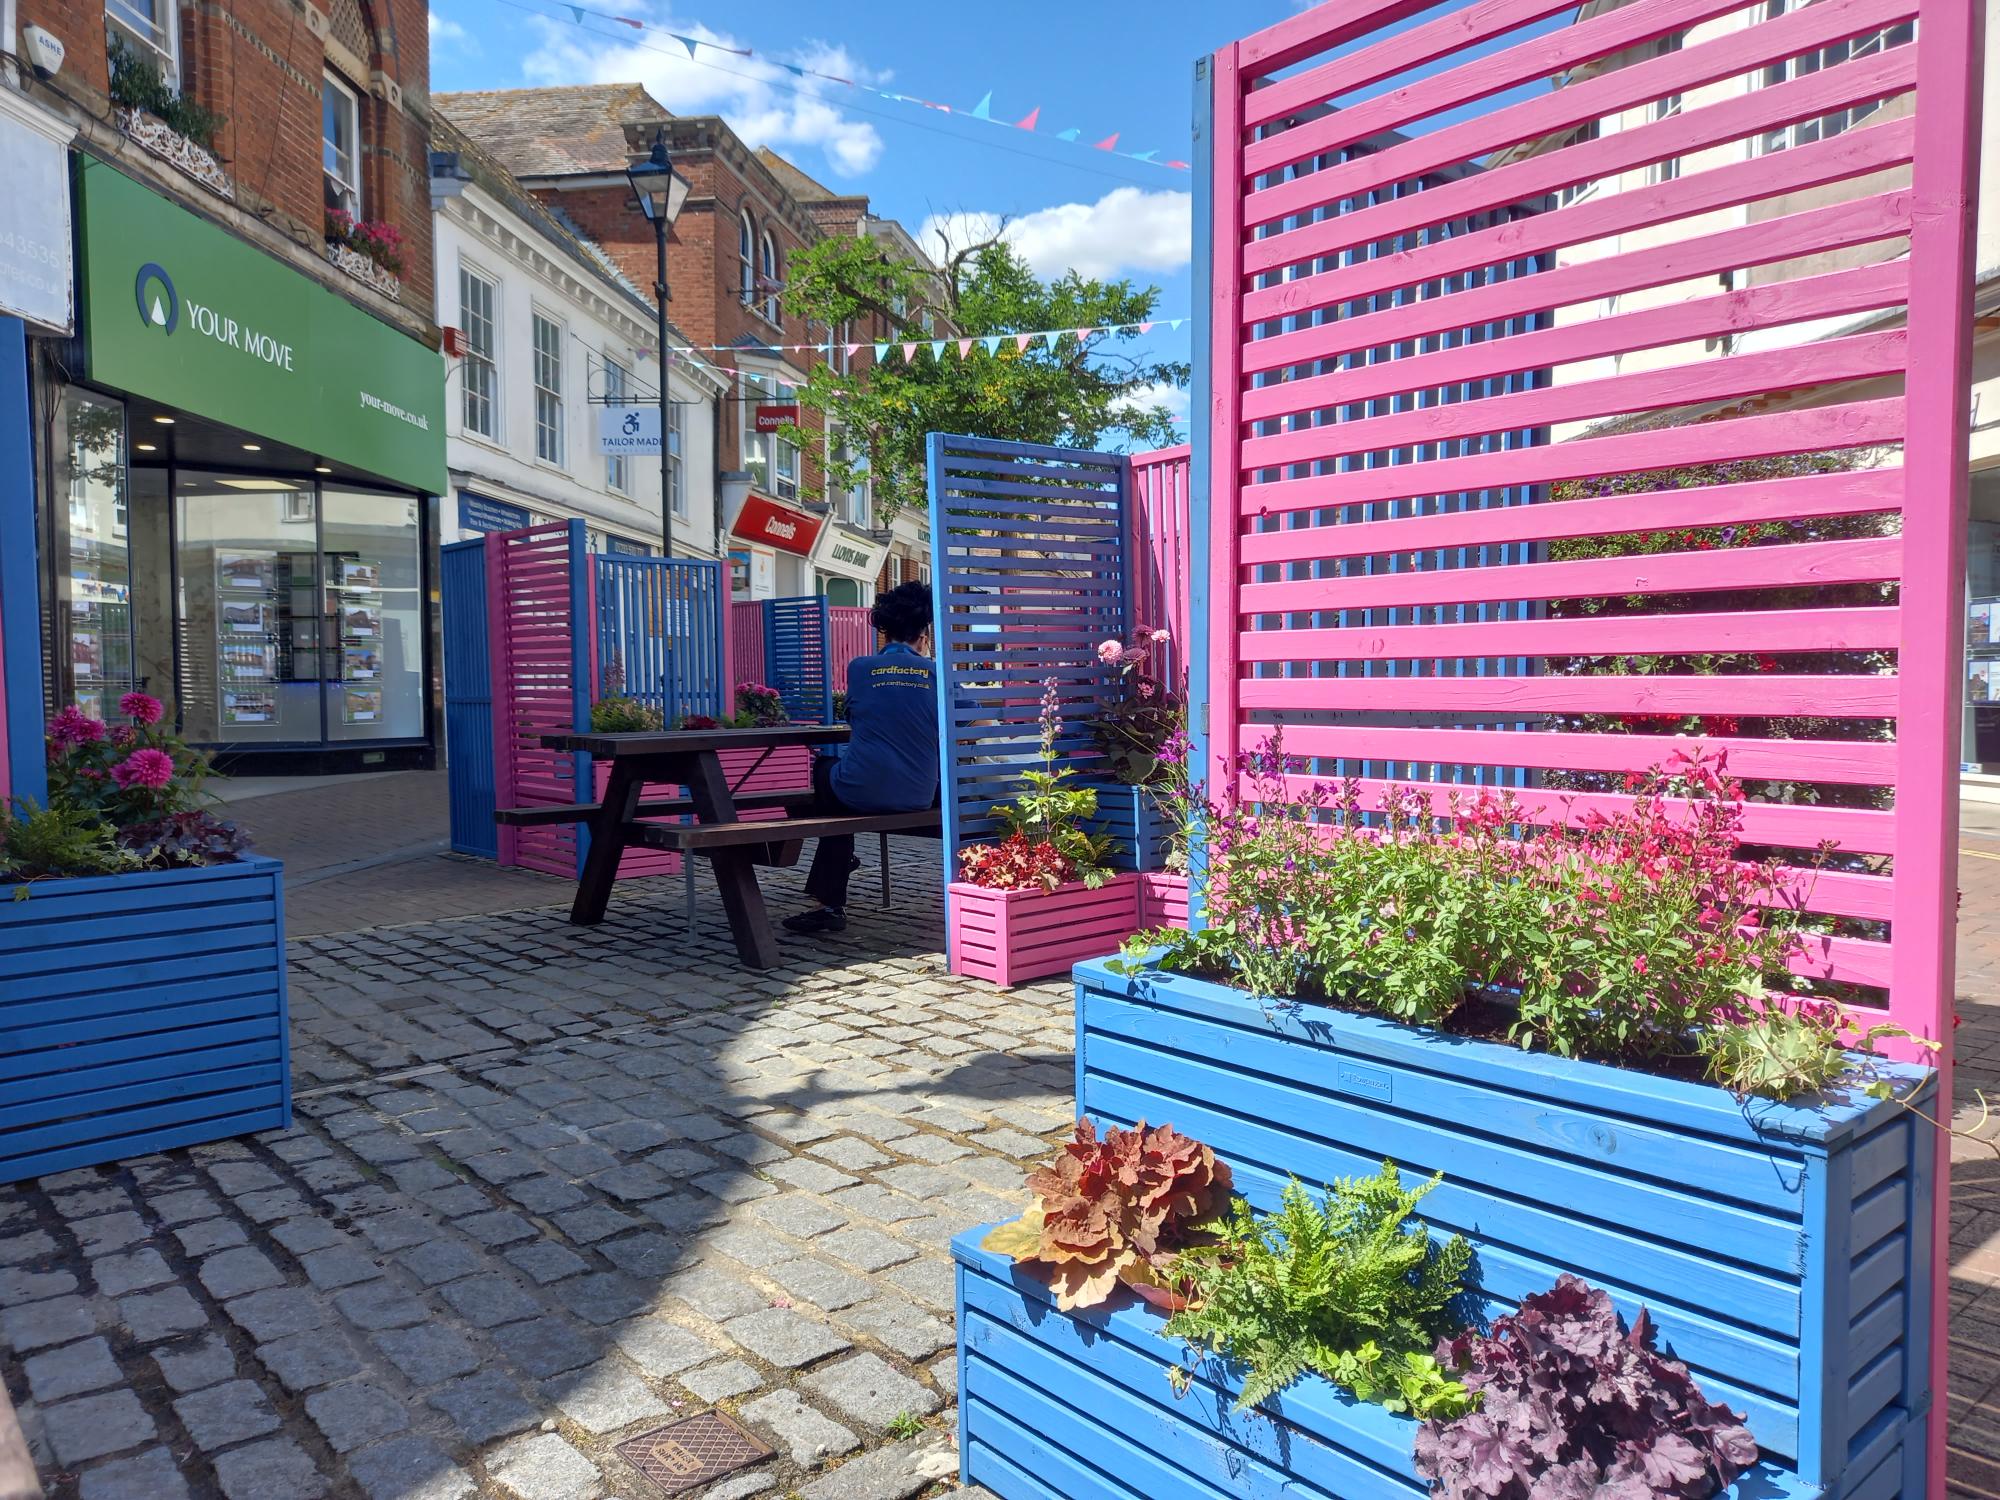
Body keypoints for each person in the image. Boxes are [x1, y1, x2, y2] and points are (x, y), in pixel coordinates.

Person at [783, 582, 939, 934]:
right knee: (840, 791)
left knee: (825, 772)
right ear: (924, 634)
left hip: (859, 792)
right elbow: (972, 723)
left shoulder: (859, 668)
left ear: (885, 632)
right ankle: (834, 873)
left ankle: (831, 898)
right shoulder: (937, 674)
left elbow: (857, 717)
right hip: (918, 795)